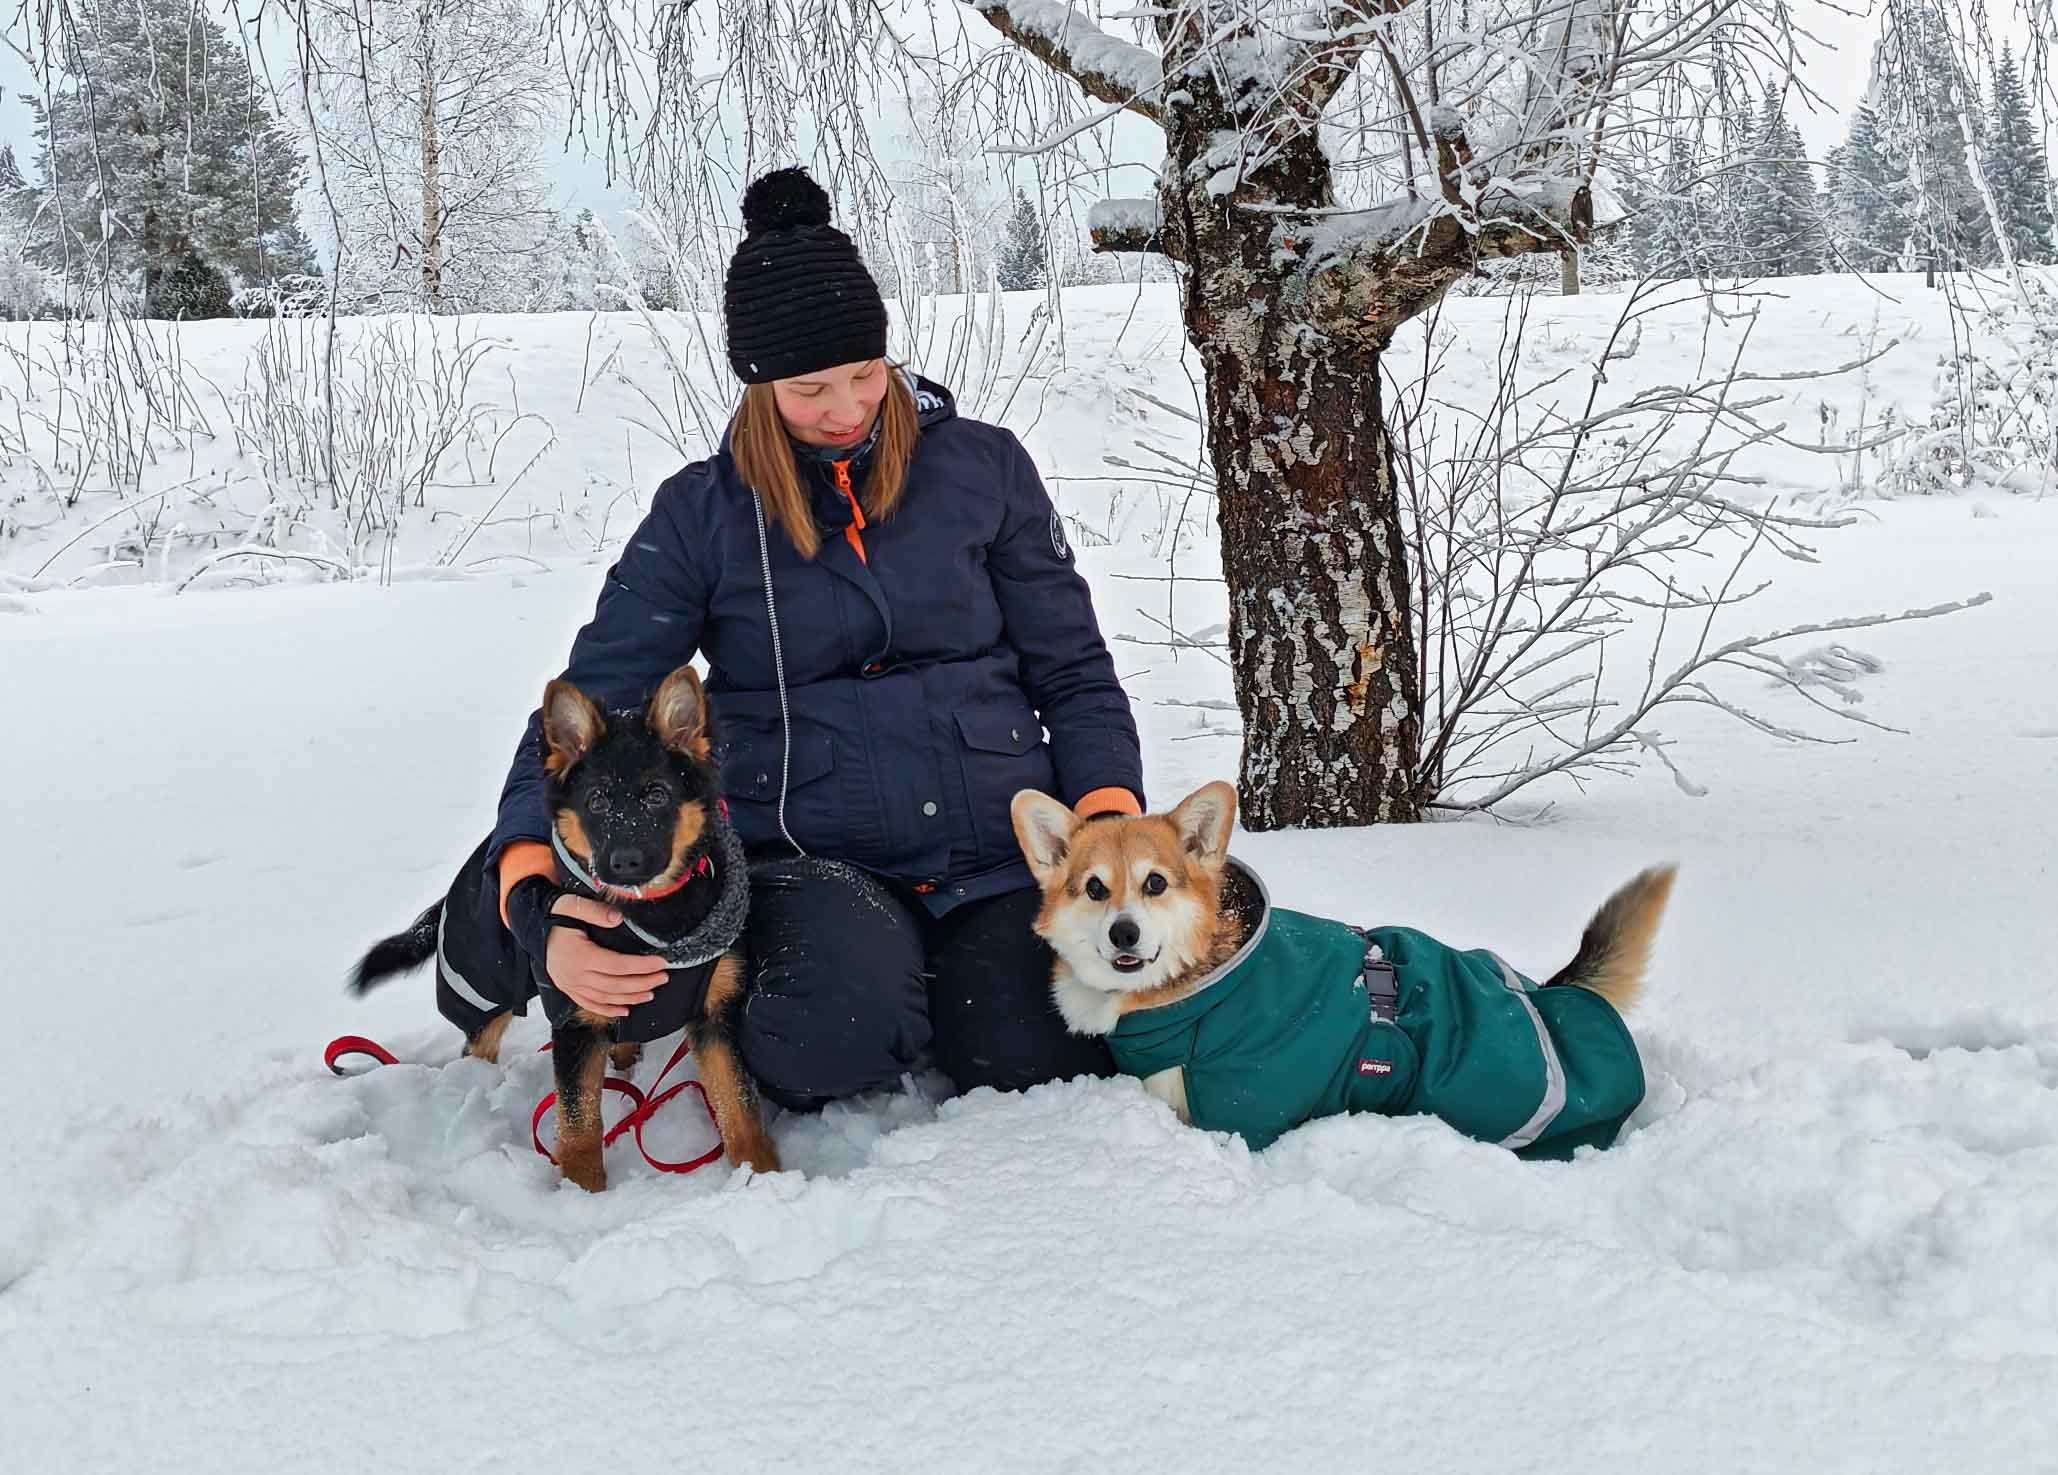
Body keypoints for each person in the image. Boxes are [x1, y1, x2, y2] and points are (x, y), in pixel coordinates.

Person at [488, 167, 1144, 1110]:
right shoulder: (699, 516)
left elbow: (1074, 669)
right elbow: (587, 709)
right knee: (815, 1053)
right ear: (758, 387)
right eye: (809, 387)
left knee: (1047, 1055)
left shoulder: (985, 468)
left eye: (866, 375)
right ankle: (884, 984)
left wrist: (1108, 809)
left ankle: (951, 991)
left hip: (999, 850)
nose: (846, 407)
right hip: (813, 855)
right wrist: (534, 888)